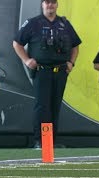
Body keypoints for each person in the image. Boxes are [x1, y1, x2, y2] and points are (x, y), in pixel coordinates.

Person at [13, 0, 81, 149]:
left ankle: (51, 142)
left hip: (61, 71)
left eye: (53, 2)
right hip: (42, 71)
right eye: (47, 2)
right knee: (42, 107)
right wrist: (26, 60)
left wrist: (71, 63)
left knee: (54, 106)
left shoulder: (64, 24)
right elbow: (17, 43)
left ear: (57, 5)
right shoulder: (33, 23)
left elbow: (75, 46)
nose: (50, 5)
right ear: (42, 4)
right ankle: (40, 141)